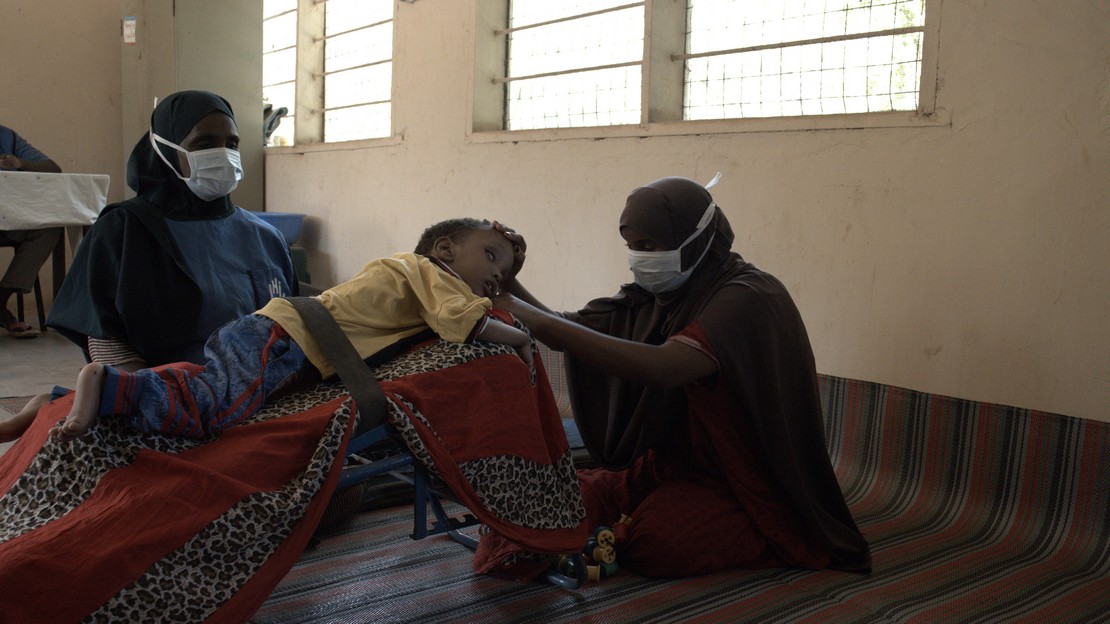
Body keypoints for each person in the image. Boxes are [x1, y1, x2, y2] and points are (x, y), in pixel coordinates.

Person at [494, 176, 872, 577]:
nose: (638, 259)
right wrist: (507, 277)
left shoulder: (748, 297)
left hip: (741, 478)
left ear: (696, 240)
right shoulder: (663, 297)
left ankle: (769, 531)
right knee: (551, 503)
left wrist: (536, 320)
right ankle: (627, 519)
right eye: (631, 247)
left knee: (657, 543)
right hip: (670, 464)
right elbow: (569, 330)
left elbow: (664, 367)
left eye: (649, 247)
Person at [47, 218, 531, 442]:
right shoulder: (433, 274)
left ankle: (49, 406)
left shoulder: (411, 273)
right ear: (444, 249)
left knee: (206, 390)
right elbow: (466, 323)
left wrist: (499, 283)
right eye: (490, 258)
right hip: (284, 340)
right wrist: (522, 337)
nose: (494, 278)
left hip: (275, 333)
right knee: (210, 415)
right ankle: (109, 383)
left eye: (501, 274)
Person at [47, 90, 298, 370]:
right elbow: (102, 333)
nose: (223, 155)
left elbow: (294, 324)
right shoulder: (126, 229)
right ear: (165, 150)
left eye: (232, 144)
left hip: (268, 387)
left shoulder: (266, 238)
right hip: (170, 393)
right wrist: (147, 391)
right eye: (204, 143)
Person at [0, 124, 63, 338]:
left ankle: (0, 300)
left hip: (8, 219)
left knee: (48, 229)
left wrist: (20, 163)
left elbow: (53, 168)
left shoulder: (6, 136)